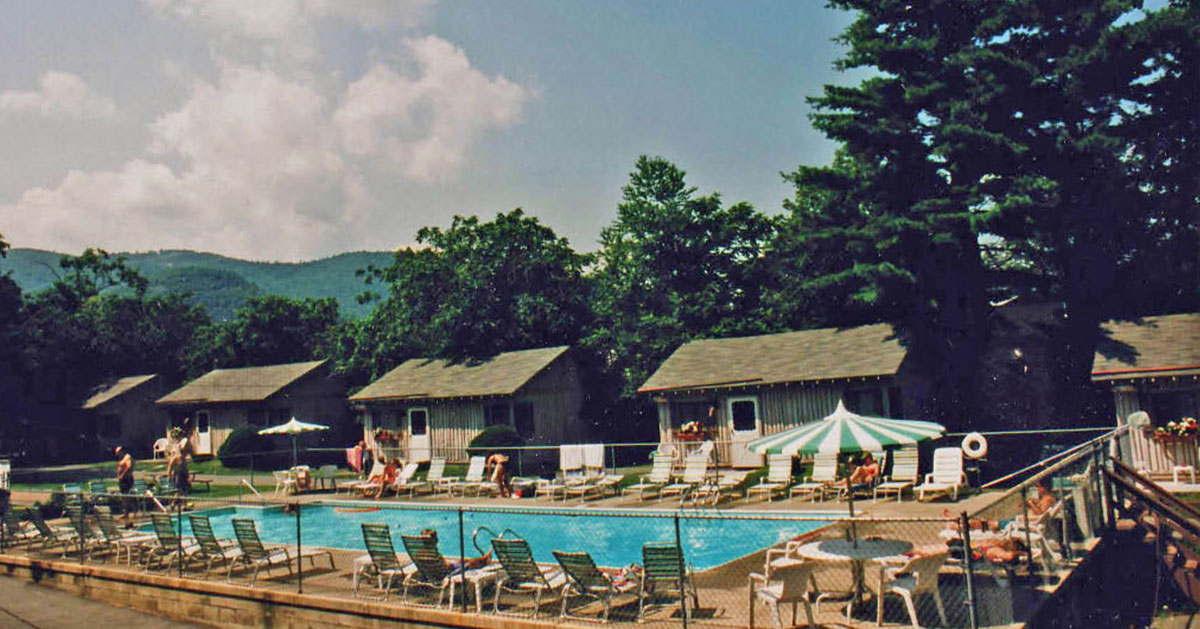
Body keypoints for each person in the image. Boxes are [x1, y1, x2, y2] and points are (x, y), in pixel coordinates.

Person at [420, 529, 491, 571]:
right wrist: (450, 564)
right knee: (470, 563)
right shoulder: (433, 554)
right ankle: (484, 559)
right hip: (448, 572)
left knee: (462, 560)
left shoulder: (420, 554)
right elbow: (445, 567)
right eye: (436, 538)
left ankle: (484, 558)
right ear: (434, 540)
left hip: (437, 572)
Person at [114, 446, 136, 526]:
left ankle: (134, 511)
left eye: (118, 452)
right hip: (122, 480)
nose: (117, 454)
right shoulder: (122, 458)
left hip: (126, 480)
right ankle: (126, 513)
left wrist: (122, 475)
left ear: (122, 451)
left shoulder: (127, 457)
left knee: (127, 497)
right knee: (123, 497)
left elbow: (129, 467)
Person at [166, 431, 192, 496]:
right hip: (177, 474)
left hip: (183, 473)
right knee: (179, 490)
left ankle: (183, 504)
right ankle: (174, 503)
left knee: (184, 489)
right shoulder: (176, 457)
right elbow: (170, 466)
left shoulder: (183, 458)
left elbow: (185, 467)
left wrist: (188, 476)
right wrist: (169, 476)